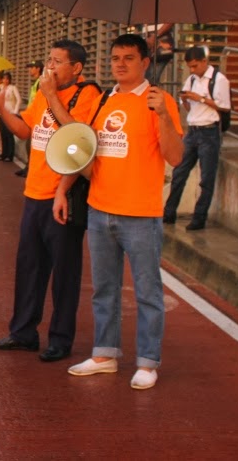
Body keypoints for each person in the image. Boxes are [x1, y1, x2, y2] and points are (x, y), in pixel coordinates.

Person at [64, 33, 183, 391]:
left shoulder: (159, 101)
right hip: (100, 209)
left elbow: (175, 157)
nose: (120, 64)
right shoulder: (103, 100)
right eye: (115, 57)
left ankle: (147, 361)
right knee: (104, 288)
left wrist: (163, 115)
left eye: (129, 58)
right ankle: (105, 354)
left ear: (145, 62)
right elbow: (86, 149)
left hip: (141, 213)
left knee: (147, 291)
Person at [0, 40, 101, 362]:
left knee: (64, 273)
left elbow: (79, 139)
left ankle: (60, 339)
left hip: (62, 196)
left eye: (57, 61)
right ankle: (23, 332)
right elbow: (25, 131)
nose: (50, 67)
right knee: (29, 268)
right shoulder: (43, 93)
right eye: (49, 60)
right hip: (34, 194)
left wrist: (51, 96)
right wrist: (1, 108)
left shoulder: (87, 94)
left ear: (76, 68)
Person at [162, 46, 232, 231]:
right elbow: (187, 106)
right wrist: (186, 99)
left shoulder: (219, 80)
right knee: (179, 172)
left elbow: (224, 106)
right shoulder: (191, 79)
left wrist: (200, 98)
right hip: (193, 130)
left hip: (209, 131)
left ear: (204, 61)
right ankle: (169, 212)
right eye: (190, 67)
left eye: (195, 66)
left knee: (206, 178)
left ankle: (199, 217)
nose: (192, 70)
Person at [15, 61, 44, 177]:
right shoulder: (36, 83)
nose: (29, 70)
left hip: (37, 119)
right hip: (32, 117)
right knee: (29, 145)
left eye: (31, 67)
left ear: (38, 69)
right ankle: (28, 168)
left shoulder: (40, 83)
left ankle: (30, 169)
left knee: (31, 145)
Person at [0, 71, 21, 162]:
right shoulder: (0, 88)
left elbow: (19, 100)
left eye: (7, 79)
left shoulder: (13, 88)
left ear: (9, 80)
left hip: (10, 114)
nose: (5, 80)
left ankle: (10, 155)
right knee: (3, 134)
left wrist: (15, 111)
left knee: (9, 134)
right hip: (1, 113)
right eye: (4, 79)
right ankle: (4, 153)